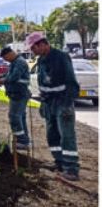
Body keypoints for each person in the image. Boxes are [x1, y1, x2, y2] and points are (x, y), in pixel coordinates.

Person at [26, 30, 80, 180]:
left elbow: (71, 82)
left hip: (63, 102)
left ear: (43, 44)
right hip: (49, 103)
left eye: (33, 48)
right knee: (52, 135)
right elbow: (43, 83)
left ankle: (71, 169)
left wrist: (66, 104)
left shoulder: (61, 57)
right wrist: (43, 102)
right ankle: (59, 162)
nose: (32, 51)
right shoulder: (42, 60)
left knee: (67, 136)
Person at [0, 45, 31, 152]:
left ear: (9, 54)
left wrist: (2, 81)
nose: (6, 60)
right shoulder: (14, 62)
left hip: (19, 94)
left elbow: (14, 77)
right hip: (16, 93)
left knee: (14, 116)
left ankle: (21, 140)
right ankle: (23, 140)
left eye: (5, 58)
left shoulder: (20, 62)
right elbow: (9, 75)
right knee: (20, 117)